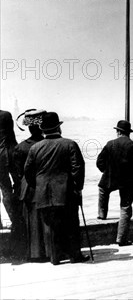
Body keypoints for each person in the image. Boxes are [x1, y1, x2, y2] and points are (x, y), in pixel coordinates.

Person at [23, 112, 88, 265]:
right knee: (71, 224)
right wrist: (78, 187)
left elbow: (28, 172)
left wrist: (37, 185)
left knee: (50, 227)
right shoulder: (70, 144)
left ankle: (55, 258)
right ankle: (75, 256)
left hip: (43, 194)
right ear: (59, 127)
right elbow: (77, 168)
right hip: (66, 193)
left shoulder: (35, 148)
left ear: (43, 129)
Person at [96, 120, 133, 246]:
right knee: (125, 208)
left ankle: (102, 215)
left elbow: (99, 162)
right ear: (128, 133)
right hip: (128, 181)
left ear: (118, 132)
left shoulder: (110, 144)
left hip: (110, 178)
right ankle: (121, 239)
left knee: (102, 190)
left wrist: (106, 171)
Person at [13, 110, 46, 261]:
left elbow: (19, 173)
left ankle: (33, 253)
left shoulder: (20, 147)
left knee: (31, 220)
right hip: (45, 186)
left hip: (28, 187)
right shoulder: (47, 144)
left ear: (28, 127)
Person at [0, 110, 18, 229]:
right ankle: (16, 222)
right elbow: (11, 137)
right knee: (12, 189)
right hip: (9, 153)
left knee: (5, 189)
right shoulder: (5, 115)